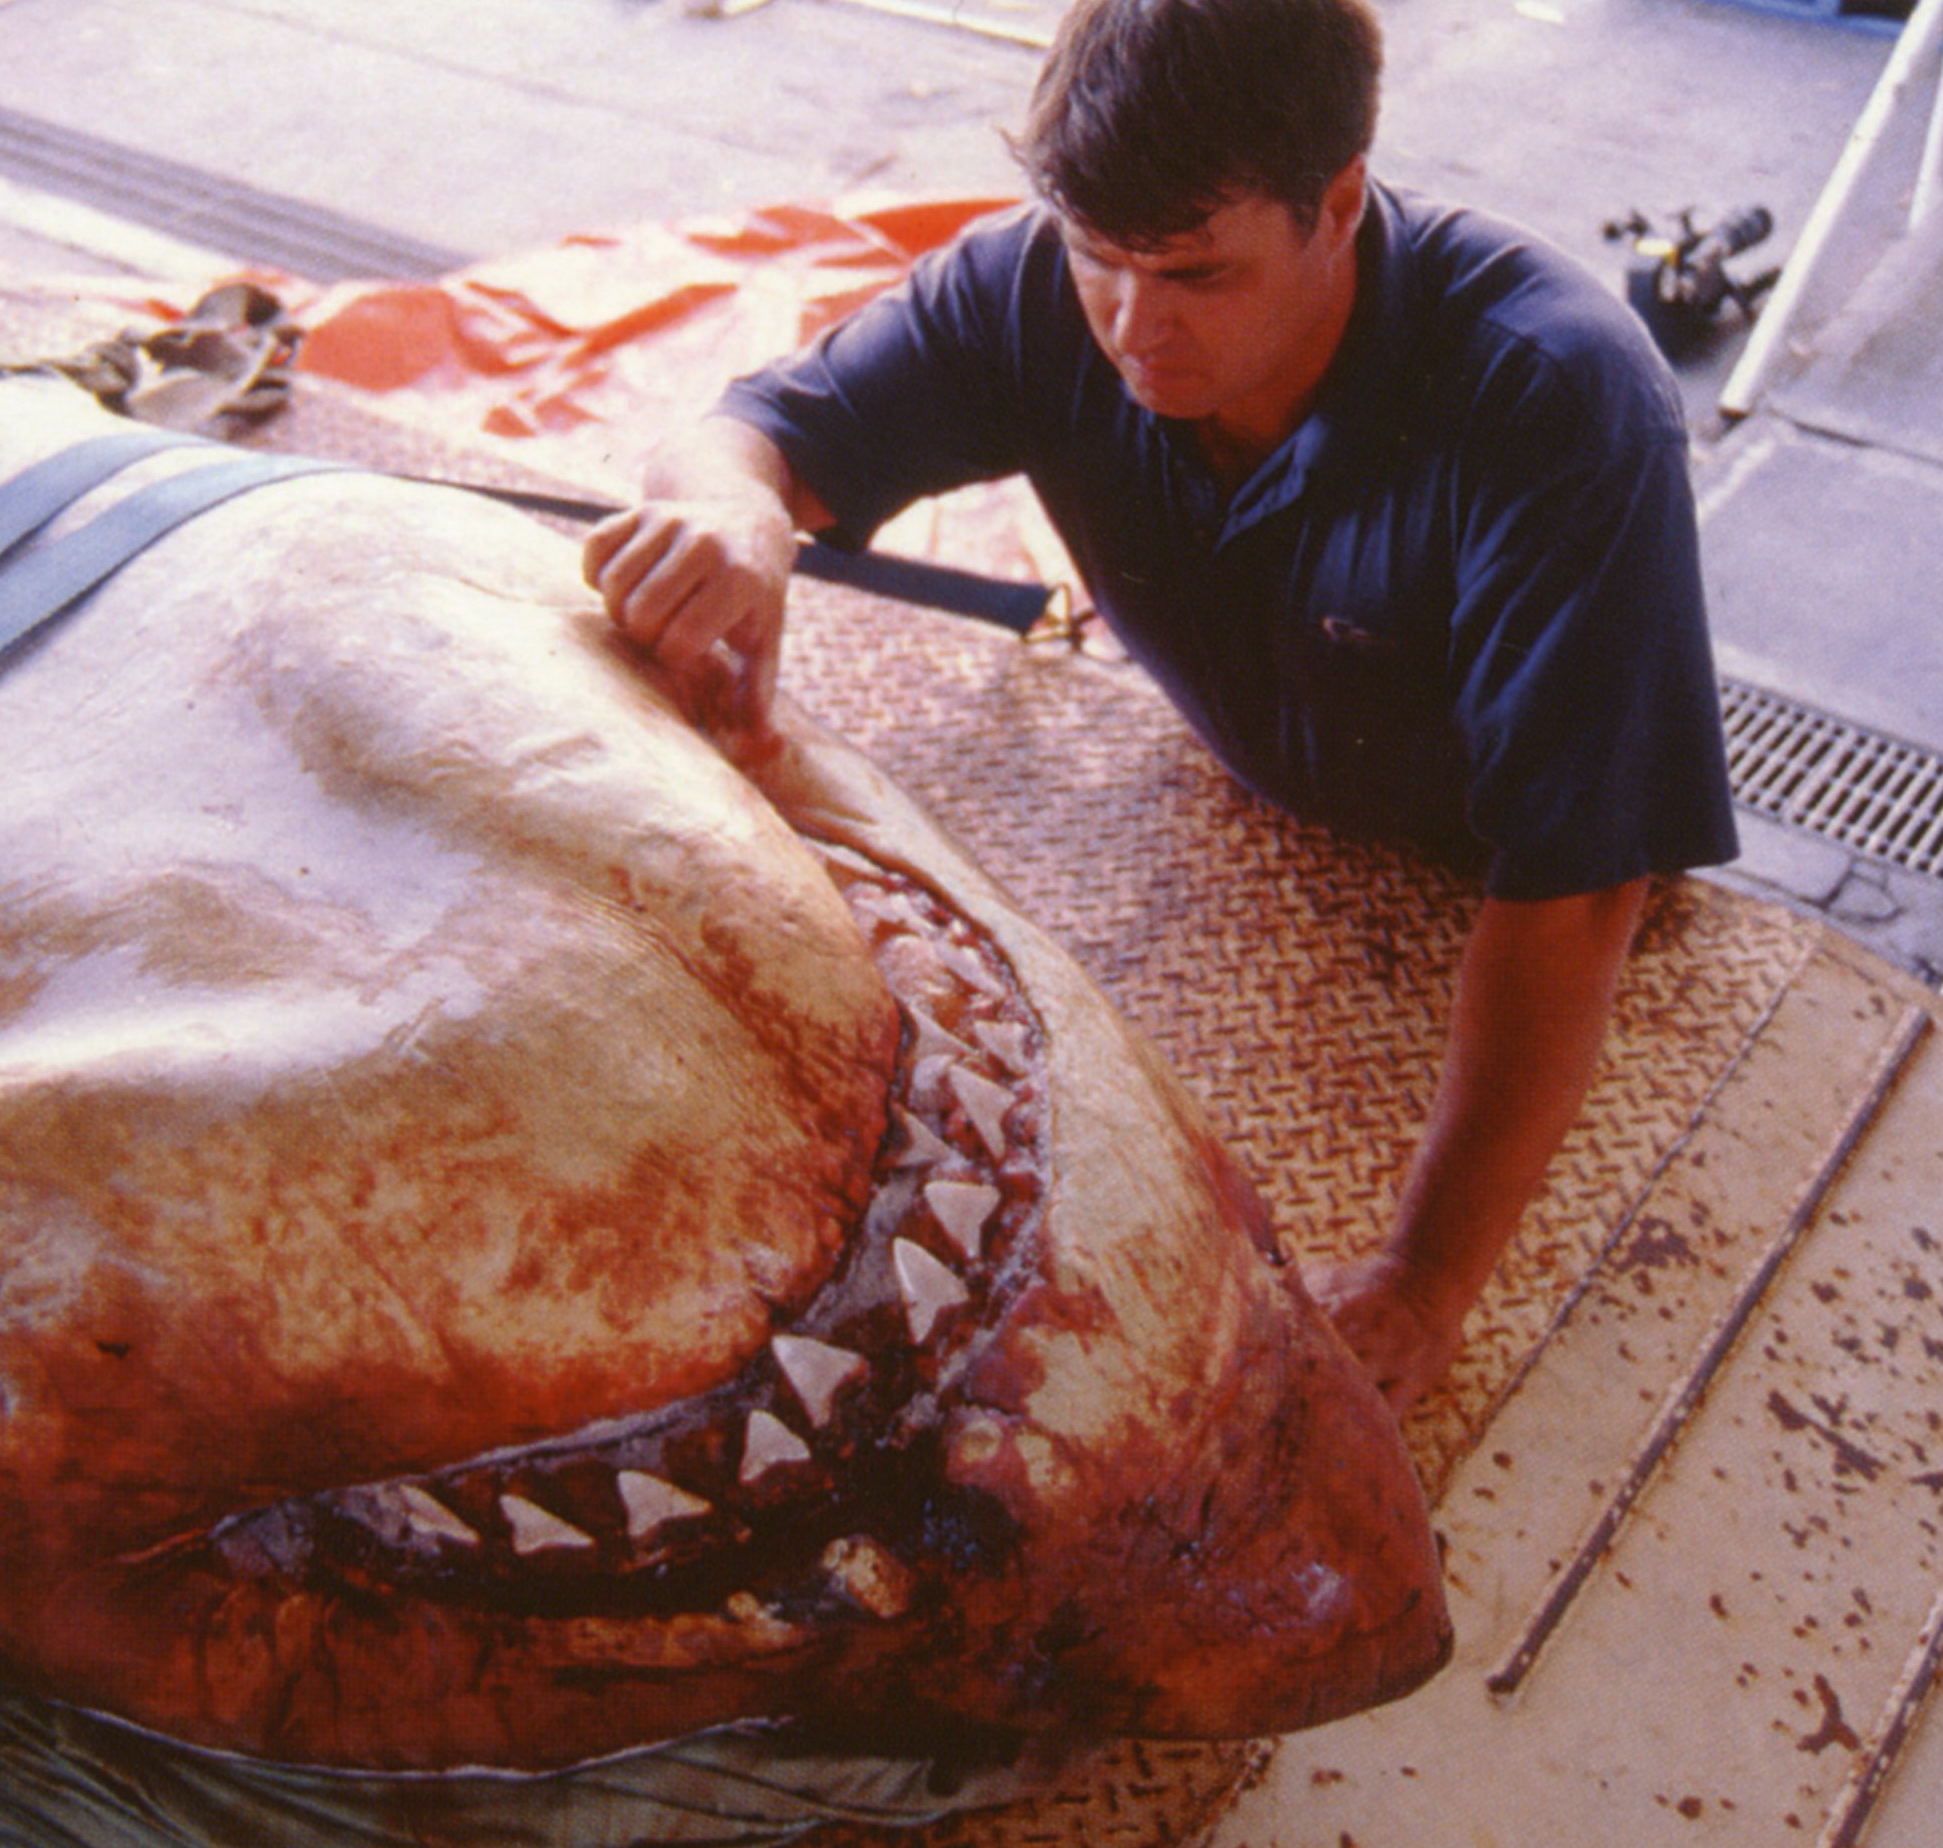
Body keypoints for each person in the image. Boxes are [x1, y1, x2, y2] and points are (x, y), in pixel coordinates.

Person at [582, 0, 1737, 1415]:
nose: (1134, 326)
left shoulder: (1555, 400)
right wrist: (731, 516)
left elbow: (1574, 896)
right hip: (1251, 793)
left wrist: (1425, 1283)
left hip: (1510, 874)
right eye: (1098, 258)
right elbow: (746, 431)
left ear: (1338, 201)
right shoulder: (1027, 290)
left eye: (1194, 272)